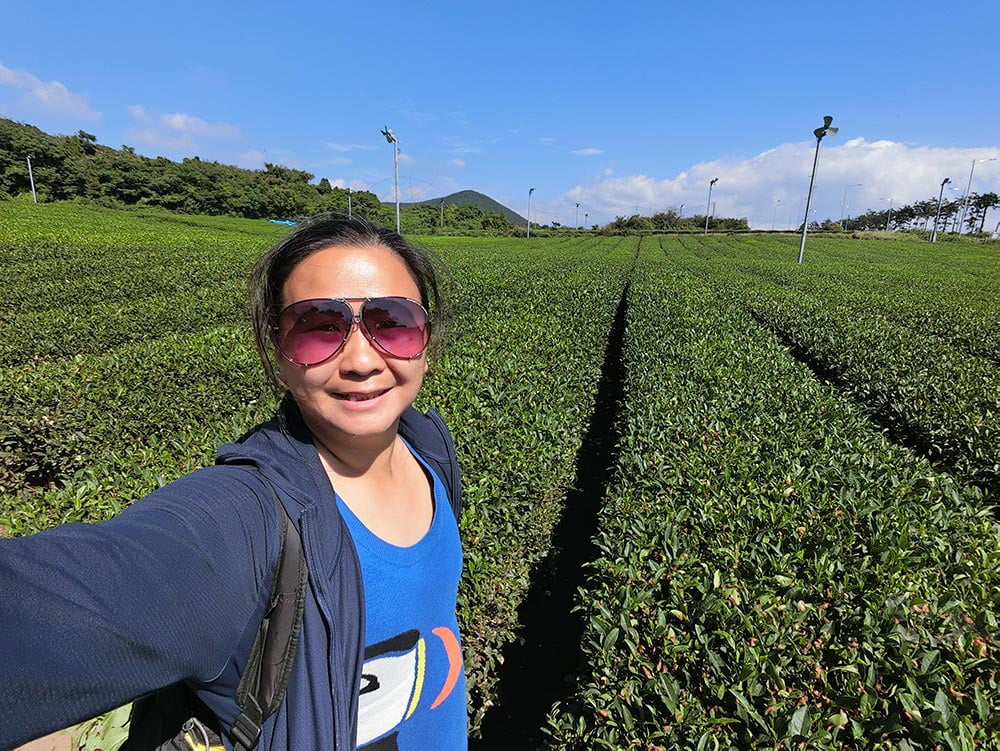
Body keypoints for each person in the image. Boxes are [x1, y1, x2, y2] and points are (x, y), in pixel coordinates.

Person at [0, 214, 467, 750]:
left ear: (425, 342)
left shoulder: (429, 449)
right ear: (278, 354)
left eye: (392, 322)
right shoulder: (242, 521)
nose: (361, 360)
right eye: (318, 327)